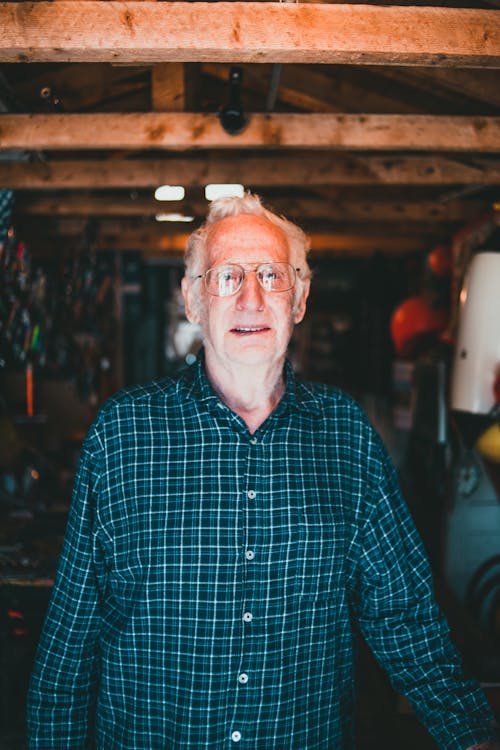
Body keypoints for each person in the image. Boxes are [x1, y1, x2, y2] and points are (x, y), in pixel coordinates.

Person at [28, 194, 499, 749]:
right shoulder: (122, 436)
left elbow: (406, 617)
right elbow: (68, 647)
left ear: (298, 299)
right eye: (226, 276)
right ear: (194, 300)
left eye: (272, 276)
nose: (250, 297)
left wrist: (473, 736)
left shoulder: (346, 435)